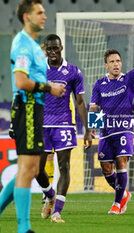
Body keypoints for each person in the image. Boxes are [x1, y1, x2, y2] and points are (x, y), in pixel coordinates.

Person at [0, 1, 65, 233]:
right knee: (28, 169)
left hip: (34, 109)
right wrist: (50, 88)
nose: (45, 16)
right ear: (27, 16)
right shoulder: (24, 45)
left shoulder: (34, 46)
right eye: (40, 12)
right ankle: (23, 228)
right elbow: (21, 82)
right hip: (26, 107)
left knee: (30, 168)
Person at [89, 22, 134, 215]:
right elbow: (94, 106)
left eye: (118, 61)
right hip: (106, 131)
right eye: (112, 62)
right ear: (106, 65)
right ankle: (123, 193)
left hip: (123, 128)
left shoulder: (128, 79)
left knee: (121, 161)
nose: (116, 64)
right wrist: (92, 128)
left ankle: (116, 204)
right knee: (106, 168)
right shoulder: (99, 84)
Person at [36, 34, 92, 223]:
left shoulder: (73, 72)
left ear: (61, 48)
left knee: (64, 166)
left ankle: (57, 212)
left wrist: (87, 129)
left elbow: (80, 102)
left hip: (64, 123)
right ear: (45, 49)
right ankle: (49, 195)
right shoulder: (38, 69)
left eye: (56, 48)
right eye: (49, 49)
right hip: (42, 123)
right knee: (36, 169)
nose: (53, 52)